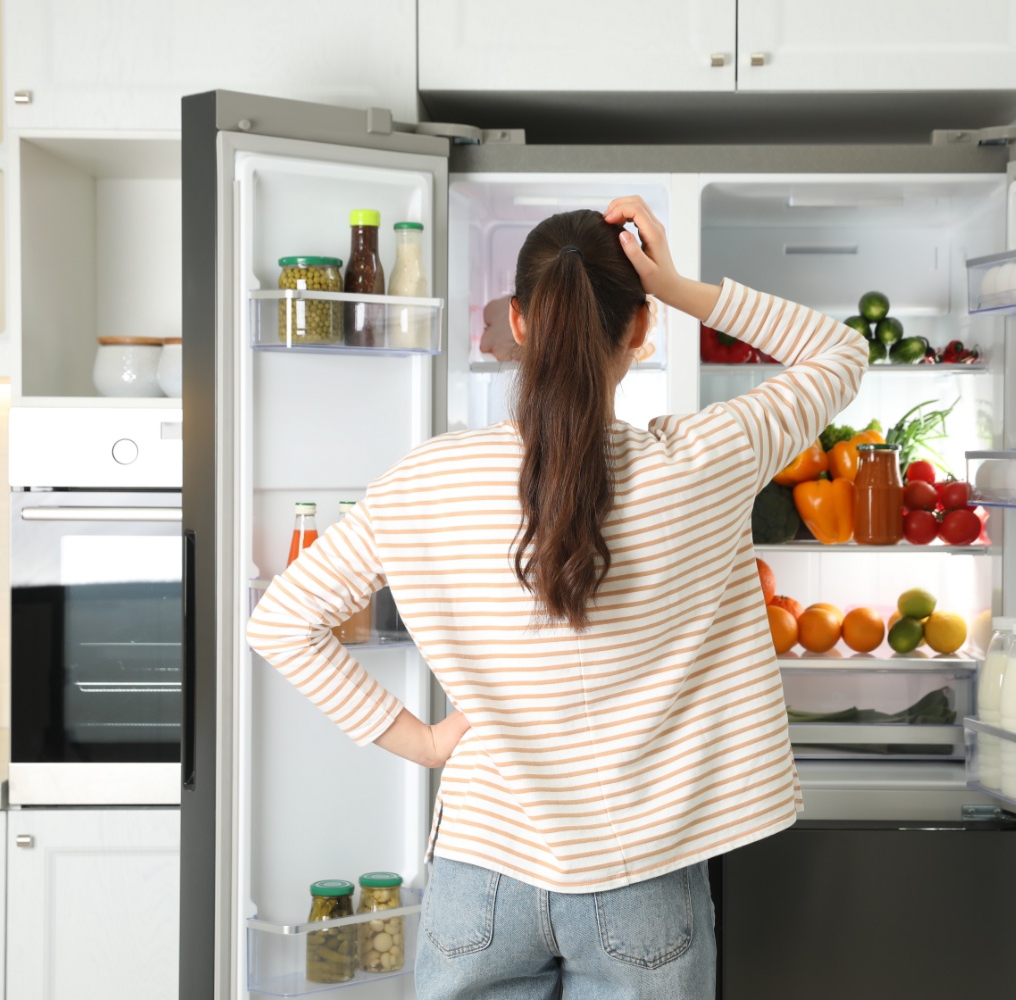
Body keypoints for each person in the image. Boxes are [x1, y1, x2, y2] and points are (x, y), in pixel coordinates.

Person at [247, 195, 868, 998]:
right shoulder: (707, 459)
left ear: (518, 320)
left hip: (481, 872)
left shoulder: (426, 480)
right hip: (643, 873)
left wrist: (427, 743)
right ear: (640, 329)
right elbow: (840, 351)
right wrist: (675, 285)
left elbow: (282, 623)